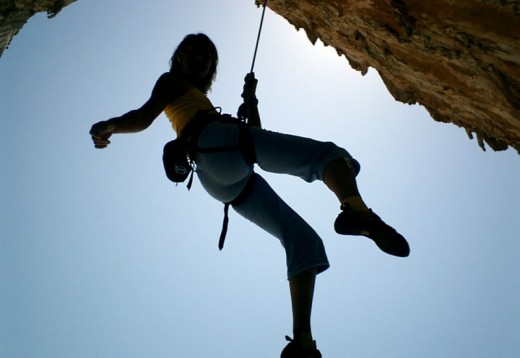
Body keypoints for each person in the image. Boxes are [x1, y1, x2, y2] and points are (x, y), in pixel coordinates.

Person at [90, 33, 410, 358]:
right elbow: (144, 117)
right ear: (179, 58)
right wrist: (110, 125)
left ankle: (303, 343)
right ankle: (357, 211)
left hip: (220, 177)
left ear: (212, 66)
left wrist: (251, 101)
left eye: (207, 55)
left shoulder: (194, 100)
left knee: (305, 241)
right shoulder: (171, 82)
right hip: (216, 145)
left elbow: (254, 135)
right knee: (329, 156)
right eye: (193, 52)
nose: (200, 58)